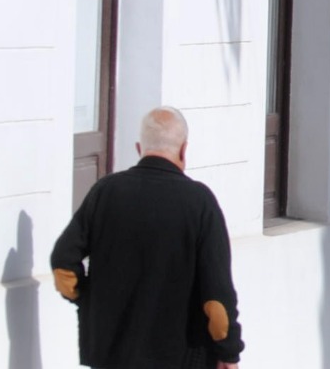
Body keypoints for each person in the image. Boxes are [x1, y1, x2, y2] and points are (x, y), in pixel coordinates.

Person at [51, 106, 245, 369]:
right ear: (184, 150)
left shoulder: (106, 192)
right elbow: (217, 300)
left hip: (111, 356)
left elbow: (63, 264)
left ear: (139, 148)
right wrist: (229, 352)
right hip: (181, 357)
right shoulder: (200, 203)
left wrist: (89, 301)